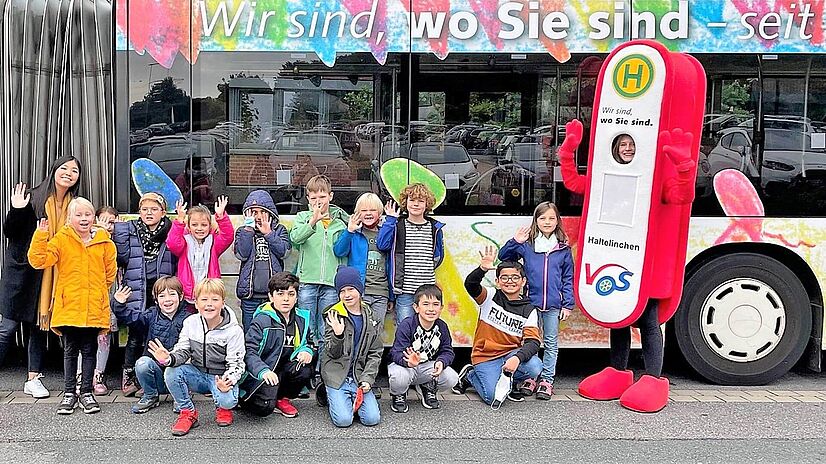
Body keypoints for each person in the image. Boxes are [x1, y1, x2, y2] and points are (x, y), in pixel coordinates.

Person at [560, 122, 696, 413]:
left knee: (648, 322)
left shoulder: (654, 178)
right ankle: (618, 372)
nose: (627, 148)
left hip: (643, 264)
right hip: (612, 258)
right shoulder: (604, 176)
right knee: (617, 319)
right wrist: (568, 152)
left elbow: (681, 197)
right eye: (622, 144)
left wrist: (685, 166)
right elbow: (574, 183)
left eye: (632, 144)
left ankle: (654, 379)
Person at [0, 155, 82, 399]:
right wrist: (16, 209)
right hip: (23, 274)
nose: (69, 173)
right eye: (64, 168)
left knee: (38, 328)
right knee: (7, 327)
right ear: (54, 170)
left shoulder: (75, 205)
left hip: (52, 276)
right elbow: (9, 232)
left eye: (74, 170)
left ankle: (33, 379)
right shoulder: (34, 197)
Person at [27, 197, 117, 415]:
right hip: (69, 307)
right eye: (79, 215)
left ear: (93, 218)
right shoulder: (62, 239)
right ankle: (69, 393)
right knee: (69, 351)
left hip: (94, 306)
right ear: (70, 218)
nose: (84, 218)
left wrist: (96, 293)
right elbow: (38, 260)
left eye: (87, 214)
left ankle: (86, 393)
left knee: (89, 351)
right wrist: (40, 235)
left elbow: (110, 274)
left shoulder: (105, 242)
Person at [147, 279, 245, 436]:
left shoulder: (234, 330)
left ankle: (222, 407)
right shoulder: (190, 322)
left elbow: (237, 363)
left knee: (227, 400)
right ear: (196, 303)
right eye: (204, 299)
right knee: (171, 371)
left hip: (219, 377)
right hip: (197, 373)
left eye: (215, 299)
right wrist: (169, 358)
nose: (209, 304)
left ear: (223, 302)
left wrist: (228, 381)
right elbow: (183, 349)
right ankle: (188, 413)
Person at [497, 202, 574, 399]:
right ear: (536, 221)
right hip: (530, 304)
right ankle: (531, 377)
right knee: (530, 341)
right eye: (542, 218)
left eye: (551, 218)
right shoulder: (528, 245)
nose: (547, 222)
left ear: (557, 221)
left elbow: (568, 278)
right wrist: (515, 241)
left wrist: (568, 304)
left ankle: (546, 380)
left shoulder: (563, 248)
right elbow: (504, 257)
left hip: (553, 305)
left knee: (550, 343)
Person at [453, 246, 543, 406]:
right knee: (492, 398)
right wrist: (482, 269)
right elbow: (470, 285)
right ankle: (471, 376)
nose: (510, 281)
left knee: (535, 366)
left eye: (515, 278)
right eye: (505, 278)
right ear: (498, 281)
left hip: (510, 355)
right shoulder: (490, 296)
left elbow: (533, 342)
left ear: (523, 281)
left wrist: (516, 358)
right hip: (485, 356)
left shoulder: (529, 310)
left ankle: (508, 381)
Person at [112, 192, 176, 396]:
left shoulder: (170, 230)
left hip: (160, 290)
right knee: (135, 335)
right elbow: (120, 258)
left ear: (163, 212)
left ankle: (157, 377)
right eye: (144, 209)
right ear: (139, 212)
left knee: (160, 334)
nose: (149, 213)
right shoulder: (130, 230)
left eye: (154, 209)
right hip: (136, 289)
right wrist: (119, 230)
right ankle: (129, 376)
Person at [288, 175, 348, 374]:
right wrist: (312, 221)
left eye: (322, 196)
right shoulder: (302, 218)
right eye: (313, 198)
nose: (318, 202)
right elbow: (295, 239)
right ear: (307, 199)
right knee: (305, 329)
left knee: (325, 329)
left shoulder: (341, 219)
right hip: (307, 281)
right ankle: (302, 373)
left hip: (331, 282)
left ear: (330, 196)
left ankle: (322, 373)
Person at [238, 272, 314, 418]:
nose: (286, 299)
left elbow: (309, 343)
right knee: (263, 409)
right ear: (271, 296)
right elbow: (249, 352)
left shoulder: (301, 319)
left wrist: (307, 351)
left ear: (296, 297)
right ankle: (243, 397)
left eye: (291, 294)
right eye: (280, 294)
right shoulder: (261, 320)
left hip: (284, 370)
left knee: (305, 368)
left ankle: (282, 398)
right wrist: (263, 371)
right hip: (264, 372)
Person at [111, 276, 188, 414]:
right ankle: (150, 395)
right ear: (156, 299)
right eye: (162, 296)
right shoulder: (151, 315)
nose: (168, 300)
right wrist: (118, 304)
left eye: (172, 294)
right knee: (142, 363)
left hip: (178, 372)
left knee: (184, 364)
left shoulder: (189, 318)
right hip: (157, 374)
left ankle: (180, 397)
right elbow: (132, 318)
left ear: (181, 296)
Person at [320, 266, 383, 428]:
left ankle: (347, 399)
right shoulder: (333, 315)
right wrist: (338, 335)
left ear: (360, 289)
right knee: (343, 420)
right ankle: (330, 393)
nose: (347, 295)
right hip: (337, 376)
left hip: (358, 377)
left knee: (371, 419)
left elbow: (375, 352)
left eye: (351, 289)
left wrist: (368, 379)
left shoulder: (371, 316)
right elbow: (331, 353)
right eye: (342, 291)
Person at [377, 183, 445, 324]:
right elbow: (382, 245)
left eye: (420, 201)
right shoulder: (398, 225)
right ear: (405, 203)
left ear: (427, 204)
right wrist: (390, 220)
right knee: (405, 328)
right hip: (404, 290)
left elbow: (438, 256)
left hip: (428, 290)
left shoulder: (434, 228)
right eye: (412, 200)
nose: (416, 204)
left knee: (426, 327)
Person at [387, 284, 458, 413]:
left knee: (452, 377)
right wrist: (407, 362)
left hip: (426, 367)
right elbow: (395, 352)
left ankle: (428, 387)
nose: (431, 309)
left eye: (435, 304)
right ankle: (399, 394)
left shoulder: (442, 327)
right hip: (406, 367)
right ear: (416, 307)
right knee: (399, 376)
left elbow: (447, 351)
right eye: (426, 304)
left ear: (441, 308)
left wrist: (441, 362)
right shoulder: (407, 325)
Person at [75, 206, 120, 396]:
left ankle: (98, 375)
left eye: (112, 222)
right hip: (88, 296)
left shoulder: (118, 241)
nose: (107, 226)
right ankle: (80, 375)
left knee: (104, 336)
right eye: (103, 221)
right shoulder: (86, 240)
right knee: (83, 338)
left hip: (111, 297)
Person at [234, 189, 291, 332]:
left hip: (273, 296)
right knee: (250, 332)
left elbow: (284, 252)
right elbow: (242, 254)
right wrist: (248, 229)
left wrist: (269, 234)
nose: (258, 216)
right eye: (254, 212)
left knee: (273, 331)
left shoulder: (279, 230)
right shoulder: (242, 231)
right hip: (250, 296)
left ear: (270, 212)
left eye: (262, 212)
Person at [333, 192, 391, 326]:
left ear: (380, 212)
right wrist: (349, 231)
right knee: (357, 327)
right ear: (357, 213)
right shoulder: (354, 233)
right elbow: (339, 251)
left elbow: (390, 265)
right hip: (359, 291)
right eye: (364, 210)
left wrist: (391, 297)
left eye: (373, 210)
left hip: (381, 292)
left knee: (376, 330)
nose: (368, 213)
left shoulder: (384, 233)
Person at [167, 196, 235, 307]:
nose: (199, 228)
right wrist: (179, 220)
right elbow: (172, 243)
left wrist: (221, 217)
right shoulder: (185, 241)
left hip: (209, 296)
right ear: (188, 226)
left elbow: (228, 236)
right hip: (187, 296)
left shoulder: (214, 243)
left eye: (204, 225)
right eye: (194, 225)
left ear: (209, 226)